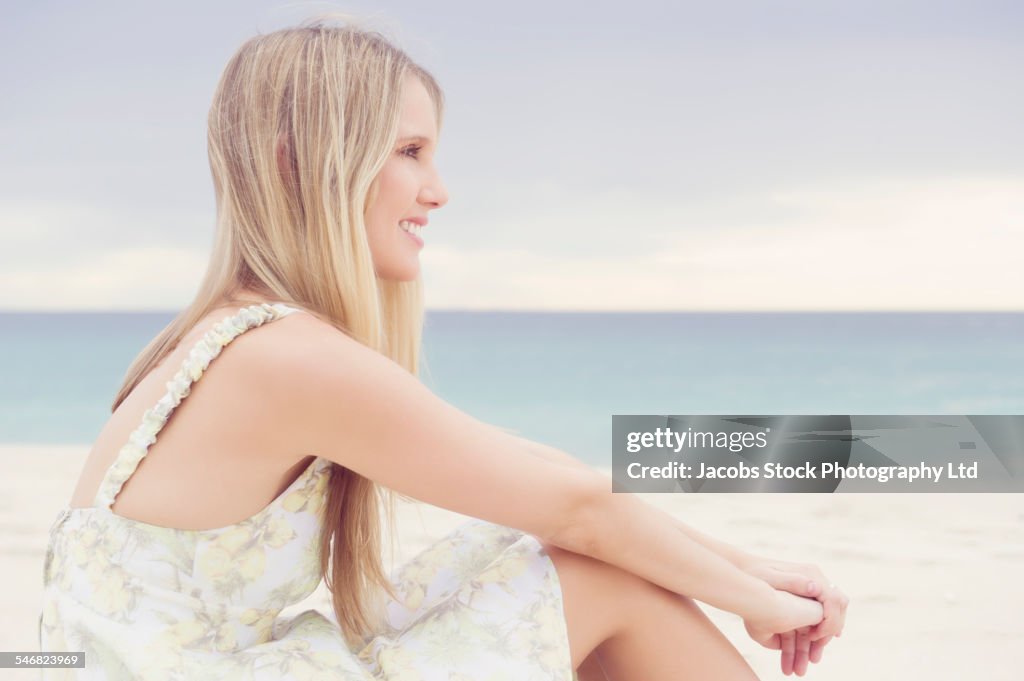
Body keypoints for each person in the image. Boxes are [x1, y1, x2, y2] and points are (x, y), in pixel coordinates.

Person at [39, 15, 848, 681]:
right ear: (301, 163)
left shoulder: (228, 335)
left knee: (553, 552)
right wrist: (763, 605)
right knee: (596, 570)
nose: (439, 189)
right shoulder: (284, 357)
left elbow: (558, 484)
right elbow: (582, 511)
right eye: (410, 151)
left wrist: (749, 571)